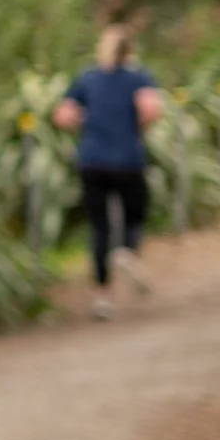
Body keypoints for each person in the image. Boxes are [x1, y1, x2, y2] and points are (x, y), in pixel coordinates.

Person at [51, 28, 164, 320]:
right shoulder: (138, 77)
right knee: (135, 215)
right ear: (129, 50)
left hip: (92, 161)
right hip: (128, 159)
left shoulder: (87, 78)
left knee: (99, 228)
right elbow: (151, 109)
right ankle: (126, 250)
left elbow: (62, 116)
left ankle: (103, 297)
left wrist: (88, 122)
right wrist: (136, 128)